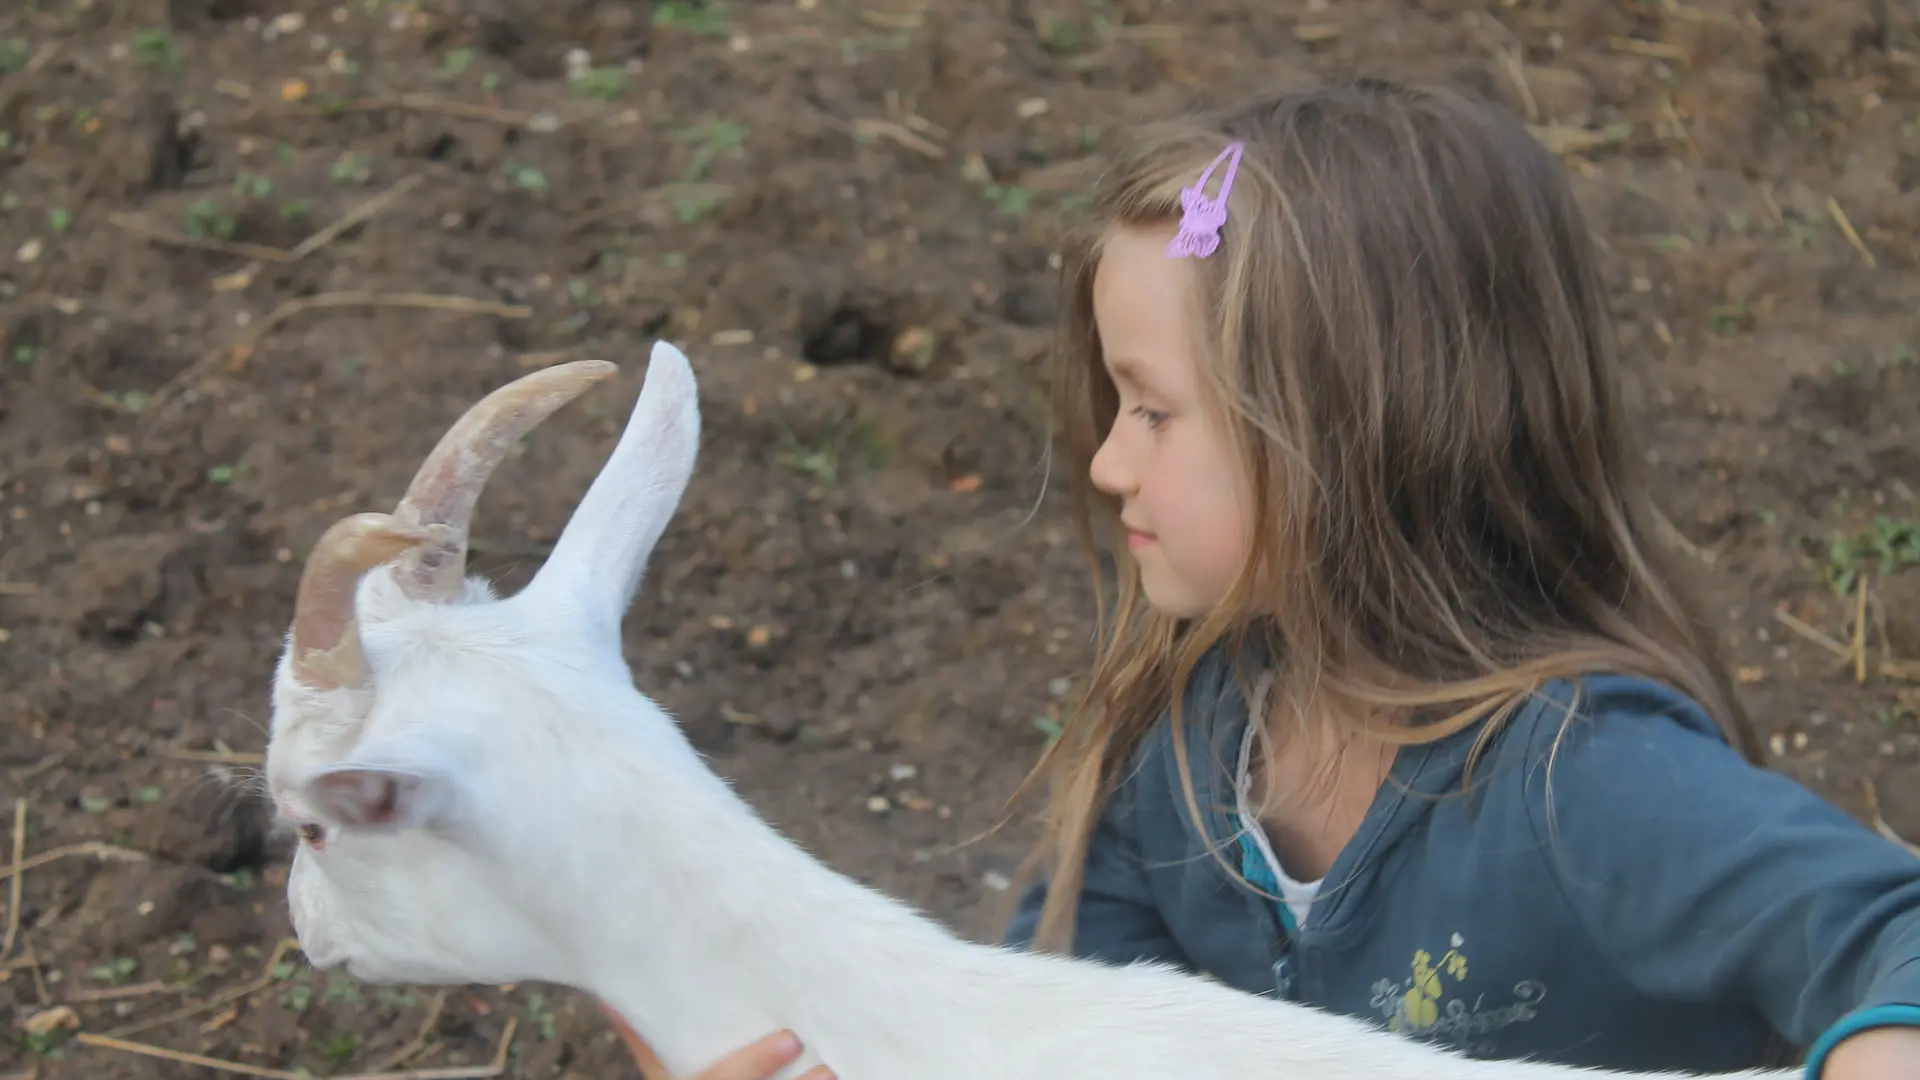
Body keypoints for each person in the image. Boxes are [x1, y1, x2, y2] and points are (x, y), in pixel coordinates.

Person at [639, 77, 1920, 1080]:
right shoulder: (1185, 754)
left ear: (1353, 437)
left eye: (1150, 412)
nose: (1102, 463)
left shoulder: (1583, 781)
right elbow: (1061, 1039)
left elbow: (1891, 941)